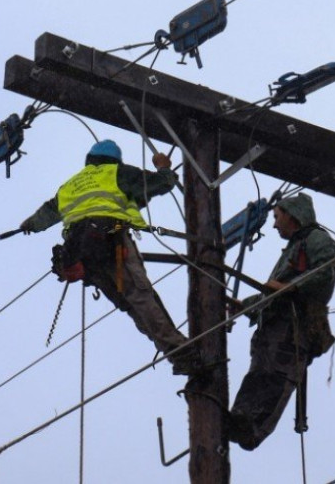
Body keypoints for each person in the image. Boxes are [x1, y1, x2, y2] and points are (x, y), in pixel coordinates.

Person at [19, 139, 201, 374]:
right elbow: (161, 184)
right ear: (115, 159)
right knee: (141, 297)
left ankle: (177, 355)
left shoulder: (69, 185)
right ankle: (182, 353)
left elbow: (46, 213)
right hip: (111, 240)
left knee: (130, 304)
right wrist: (164, 167)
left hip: (83, 254)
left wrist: (30, 225)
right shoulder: (118, 173)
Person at [229, 192, 335, 450]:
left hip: (294, 327)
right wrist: (245, 305)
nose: (274, 223)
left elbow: (324, 273)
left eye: (277, 217)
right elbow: (276, 291)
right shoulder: (292, 248)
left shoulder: (317, 239)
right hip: (273, 328)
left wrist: (289, 287)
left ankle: (253, 430)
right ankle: (238, 419)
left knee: (277, 379)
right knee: (258, 375)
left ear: (293, 215)